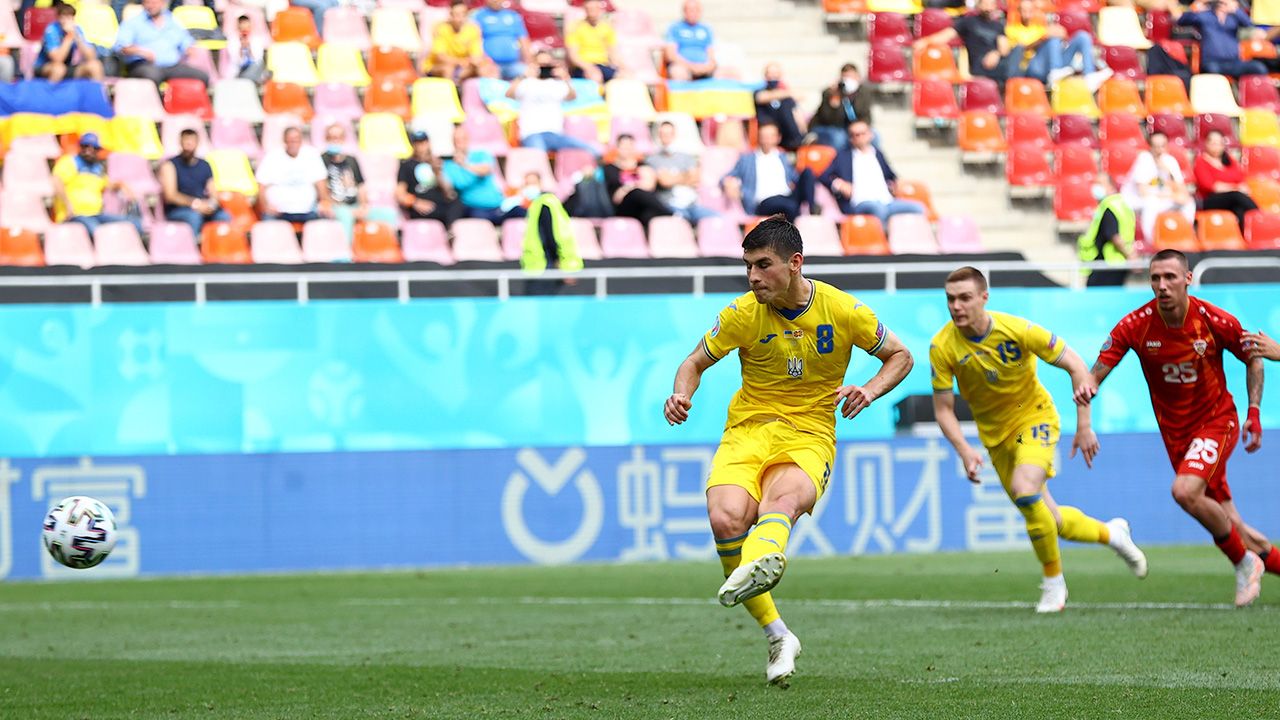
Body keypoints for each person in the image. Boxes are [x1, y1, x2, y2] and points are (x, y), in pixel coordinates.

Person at [663, 216, 913, 685]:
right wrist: (682, 394)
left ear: (795, 264)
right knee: (725, 518)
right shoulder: (741, 314)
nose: (753, 276)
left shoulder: (843, 310)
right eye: (748, 267)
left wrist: (872, 389)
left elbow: (901, 356)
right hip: (748, 429)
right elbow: (693, 363)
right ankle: (778, 633)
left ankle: (764, 555)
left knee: (782, 503)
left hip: (809, 432)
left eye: (763, 265)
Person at [931, 266, 1148, 613]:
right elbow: (943, 410)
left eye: (965, 298)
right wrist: (965, 449)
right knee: (1051, 518)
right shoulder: (943, 347)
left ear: (984, 298)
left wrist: (1084, 424)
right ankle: (1113, 535)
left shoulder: (1017, 330)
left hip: (1035, 417)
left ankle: (1053, 584)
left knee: (1026, 488)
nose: (956, 306)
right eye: (950, 299)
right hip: (995, 437)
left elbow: (1077, 365)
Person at [1091, 249, 1272, 607]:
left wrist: (1254, 411)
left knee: (1184, 492)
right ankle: (1255, 556)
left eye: (1170, 277)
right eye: (1155, 278)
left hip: (1217, 421)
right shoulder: (1135, 325)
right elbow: (1092, 377)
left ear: (1187, 279)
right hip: (1178, 439)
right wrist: (1085, 407)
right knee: (1233, 525)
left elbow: (1254, 356)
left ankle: (1243, 563)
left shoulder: (1213, 320)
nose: (1162, 285)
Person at [818, 120, 925, 230]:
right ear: (850, 138)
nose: (859, 137)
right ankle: (883, 242)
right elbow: (823, 176)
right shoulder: (843, 156)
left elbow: (891, 175)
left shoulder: (878, 154)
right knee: (879, 210)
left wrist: (896, 183)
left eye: (863, 133)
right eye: (855, 135)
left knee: (918, 208)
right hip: (860, 202)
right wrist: (839, 184)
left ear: (870, 134)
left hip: (887, 201)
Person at [51, 133, 143, 237]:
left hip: (96, 215)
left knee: (133, 224)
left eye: (94, 147)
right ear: (80, 146)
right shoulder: (70, 162)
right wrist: (68, 205)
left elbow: (109, 184)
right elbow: (57, 181)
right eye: (86, 146)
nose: (89, 150)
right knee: (98, 232)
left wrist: (124, 187)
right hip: (75, 215)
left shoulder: (97, 169)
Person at [507, 51, 599, 155]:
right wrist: (523, 75)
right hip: (531, 133)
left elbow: (572, 97)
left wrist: (565, 78)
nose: (544, 67)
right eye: (541, 64)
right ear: (534, 65)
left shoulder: (557, 84)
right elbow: (509, 94)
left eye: (547, 64)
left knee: (592, 152)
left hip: (555, 134)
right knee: (539, 157)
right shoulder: (526, 83)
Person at [1005, 0, 1110, 88]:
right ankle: (1055, 72)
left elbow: (1061, 43)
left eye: (1030, 10)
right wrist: (1043, 38)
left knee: (1082, 36)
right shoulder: (1012, 29)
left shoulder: (1041, 28)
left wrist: (1062, 34)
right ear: (1018, 12)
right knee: (1052, 39)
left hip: (1055, 63)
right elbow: (1019, 49)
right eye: (1024, 10)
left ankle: (1089, 75)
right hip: (1033, 66)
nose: (1027, 14)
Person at [722, 123, 815, 222]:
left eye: (771, 136)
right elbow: (727, 177)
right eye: (764, 136)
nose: (767, 139)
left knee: (807, 172)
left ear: (778, 138)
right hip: (765, 201)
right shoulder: (747, 159)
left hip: (787, 196)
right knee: (788, 206)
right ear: (759, 137)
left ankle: (812, 209)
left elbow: (794, 178)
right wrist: (729, 182)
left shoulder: (783, 157)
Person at [321, 123, 396, 240]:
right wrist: (346, 209)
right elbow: (322, 191)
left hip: (354, 205)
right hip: (336, 207)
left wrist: (363, 206)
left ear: (343, 139)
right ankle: (346, 253)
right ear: (326, 139)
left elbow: (361, 186)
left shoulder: (351, 160)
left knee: (388, 214)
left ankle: (390, 246)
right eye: (332, 137)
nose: (335, 140)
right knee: (346, 216)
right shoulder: (321, 160)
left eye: (339, 137)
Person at [914, 0, 1016, 84]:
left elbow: (1004, 48)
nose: (988, 8)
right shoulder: (968, 22)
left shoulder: (998, 26)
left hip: (999, 64)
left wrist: (996, 53)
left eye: (991, 4)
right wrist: (926, 41)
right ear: (979, 5)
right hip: (981, 65)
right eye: (985, 4)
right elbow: (947, 35)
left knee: (1018, 50)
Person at [1120, 132, 1195, 243]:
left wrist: (1169, 173)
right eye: (1156, 146)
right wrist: (1167, 195)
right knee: (1151, 203)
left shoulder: (1170, 161)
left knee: (1189, 203)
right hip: (1135, 200)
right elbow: (1142, 191)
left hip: (1163, 198)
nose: (1159, 150)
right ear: (1150, 146)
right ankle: (1151, 241)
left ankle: (1184, 234)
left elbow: (1181, 190)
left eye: (1162, 146)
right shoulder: (1144, 159)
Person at [115, 0, 209, 86]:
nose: (151, 6)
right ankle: (154, 103)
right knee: (153, 76)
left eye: (154, 2)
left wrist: (189, 49)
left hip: (171, 66)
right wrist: (140, 51)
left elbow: (185, 41)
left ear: (163, 2)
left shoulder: (172, 21)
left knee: (202, 76)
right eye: (148, 2)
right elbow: (121, 47)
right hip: (143, 65)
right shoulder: (133, 22)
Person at [1177, 0, 1278, 78]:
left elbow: (1249, 25)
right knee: (1212, 70)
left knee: (1258, 67)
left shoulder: (1233, 17)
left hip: (1234, 62)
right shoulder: (1205, 15)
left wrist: (1236, 10)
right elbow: (1181, 21)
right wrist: (1196, 7)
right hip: (1213, 62)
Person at [159, 129, 229, 236]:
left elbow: (213, 191)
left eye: (191, 141)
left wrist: (211, 204)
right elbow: (171, 195)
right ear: (180, 142)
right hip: (179, 209)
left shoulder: (205, 165)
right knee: (194, 217)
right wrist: (196, 204)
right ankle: (193, 248)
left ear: (197, 142)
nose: (189, 144)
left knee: (224, 216)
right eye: (186, 141)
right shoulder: (170, 165)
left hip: (202, 206)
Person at [648, 121, 720, 224]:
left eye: (669, 134)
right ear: (659, 136)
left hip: (692, 204)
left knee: (718, 220)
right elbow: (665, 181)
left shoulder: (687, 157)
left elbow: (695, 178)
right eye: (663, 134)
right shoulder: (652, 159)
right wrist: (686, 175)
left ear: (674, 135)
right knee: (681, 223)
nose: (666, 137)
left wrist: (672, 177)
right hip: (670, 204)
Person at [255, 126, 331, 224]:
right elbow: (261, 185)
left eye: (296, 140)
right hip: (279, 212)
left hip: (308, 210)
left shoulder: (311, 155)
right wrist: (265, 207)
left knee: (328, 222)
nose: (293, 143)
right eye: (290, 140)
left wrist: (324, 201)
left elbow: (320, 181)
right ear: (285, 141)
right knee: (268, 226)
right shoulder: (272, 156)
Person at [1076, 175, 1136, 287]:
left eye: (1100, 184)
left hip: (1106, 264)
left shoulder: (1109, 206)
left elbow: (1114, 235)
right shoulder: (1123, 204)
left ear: (1111, 186)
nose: (1096, 187)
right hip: (1119, 263)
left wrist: (1130, 256)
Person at [1194, 129, 1259, 233]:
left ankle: (1247, 237)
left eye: (1219, 143)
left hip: (1231, 200)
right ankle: (1260, 216)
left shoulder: (1229, 160)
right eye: (1213, 143)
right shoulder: (1200, 161)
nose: (1216, 146)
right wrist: (1236, 188)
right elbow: (1211, 186)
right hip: (1209, 200)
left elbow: (1241, 178)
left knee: (1239, 209)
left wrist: (1238, 187)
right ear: (1206, 143)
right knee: (1236, 195)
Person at [396, 130, 464, 227]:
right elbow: (400, 193)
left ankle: (450, 231)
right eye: (418, 143)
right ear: (413, 145)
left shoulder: (435, 162)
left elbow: (448, 192)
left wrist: (438, 173)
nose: (422, 146)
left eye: (424, 142)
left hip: (440, 203)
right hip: (421, 205)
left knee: (457, 202)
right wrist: (415, 203)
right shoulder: (406, 165)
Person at [444, 125, 509, 224]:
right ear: (453, 142)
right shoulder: (449, 165)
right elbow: (451, 189)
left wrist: (464, 164)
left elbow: (486, 170)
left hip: (498, 206)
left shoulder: (481, 154)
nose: (461, 142)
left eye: (463, 138)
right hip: (475, 209)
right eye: (457, 140)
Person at [604, 134, 671, 229]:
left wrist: (628, 187)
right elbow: (617, 196)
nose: (627, 149)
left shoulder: (643, 165)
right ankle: (670, 214)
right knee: (637, 193)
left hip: (642, 207)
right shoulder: (609, 169)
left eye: (630, 146)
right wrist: (636, 185)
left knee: (649, 215)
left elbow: (649, 186)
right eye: (624, 146)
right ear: (617, 148)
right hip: (623, 207)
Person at [807, 63, 871, 151]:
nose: (848, 80)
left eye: (851, 77)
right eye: (845, 77)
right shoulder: (830, 93)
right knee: (839, 138)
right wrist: (835, 99)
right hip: (829, 127)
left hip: (853, 127)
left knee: (873, 136)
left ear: (858, 78)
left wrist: (860, 127)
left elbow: (866, 116)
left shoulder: (864, 93)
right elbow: (829, 120)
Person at [35, 3, 104, 83]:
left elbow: (91, 56)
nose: (66, 21)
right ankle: (50, 94)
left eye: (69, 17)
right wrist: (69, 36)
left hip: (67, 66)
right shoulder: (52, 30)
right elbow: (57, 59)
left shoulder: (77, 29)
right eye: (63, 17)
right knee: (59, 69)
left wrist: (77, 38)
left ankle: (99, 94)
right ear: (58, 18)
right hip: (46, 66)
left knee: (95, 66)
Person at [428, 1, 487, 81]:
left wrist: (469, 62)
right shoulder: (441, 28)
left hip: (463, 66)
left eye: (463, 14)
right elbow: (440, 57)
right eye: (456, 14)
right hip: (439, 65)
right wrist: (460, 62)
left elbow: (476, 55)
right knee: (448, 69)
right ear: (450, 15)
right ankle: (449, 92)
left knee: (485, 68)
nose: (460, 18)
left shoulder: (473, 29)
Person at [473, 0, 531, 81]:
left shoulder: (512, 16)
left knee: (529, 74)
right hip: (490, 65)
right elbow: (474, 41)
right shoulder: (478, 16)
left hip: (513, 64)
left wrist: (529, 62)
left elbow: (523, 40)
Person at [754, 63, 806, 151]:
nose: (773, 76)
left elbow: (801, 97)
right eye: (770, 73)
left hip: (785, 130)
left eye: (775, 73)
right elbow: (761, 97)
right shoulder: (760, 91)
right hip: (768, 125)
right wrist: (788, 93)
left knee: (791, 109)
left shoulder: (785, 96)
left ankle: (799, 139)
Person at [565, 0, 618, 83]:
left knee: (624, 77)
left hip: (602, 65)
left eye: (595, 8)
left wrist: (623, 68)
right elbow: (573, 56)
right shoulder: (575, 27)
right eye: (589, 9)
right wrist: (589, 68)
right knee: (595, 77)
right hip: (582, 66)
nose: (592, 11)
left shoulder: (607, 28)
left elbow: (613, 53)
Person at [664, 0, 716, 81]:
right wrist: (692, 66)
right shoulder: (675, 28)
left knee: (729, 72)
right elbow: (671, 55)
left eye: (696, 10)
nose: (693, 13)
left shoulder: (706, 29)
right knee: (678, 73)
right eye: (691, 10)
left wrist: (707, 66)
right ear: (684, 11)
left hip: (704, 67)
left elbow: (711, 55)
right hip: (683, 66)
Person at [225, 14, 266, 83]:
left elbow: (258, 59)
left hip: (253, 70)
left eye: (246, 24)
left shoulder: (257, 39)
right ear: (238, 26)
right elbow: (234, 60)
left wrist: (249, 48)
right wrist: (241, 49)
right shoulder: (233, 39)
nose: (244, 27)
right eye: (242, 24)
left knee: (259, 64)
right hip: (238, 70)